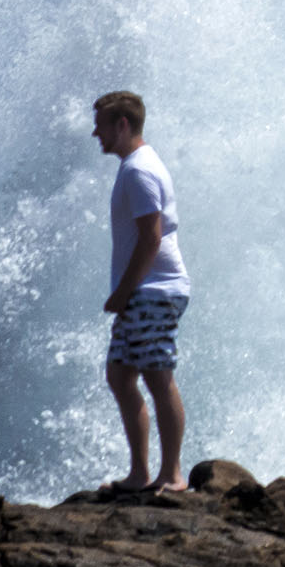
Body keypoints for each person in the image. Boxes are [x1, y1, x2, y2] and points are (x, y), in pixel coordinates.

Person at [92, 90, 192, 493]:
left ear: (122, 125)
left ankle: (172, 475)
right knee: (119, 375)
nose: (94, 133)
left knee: (157, 377)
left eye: (100, 124)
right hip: (141, 291)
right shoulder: (133, 167)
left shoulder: (139, 171)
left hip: (155, 290)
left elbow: (152, 238)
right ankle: (139, 474)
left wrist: (124, 291)